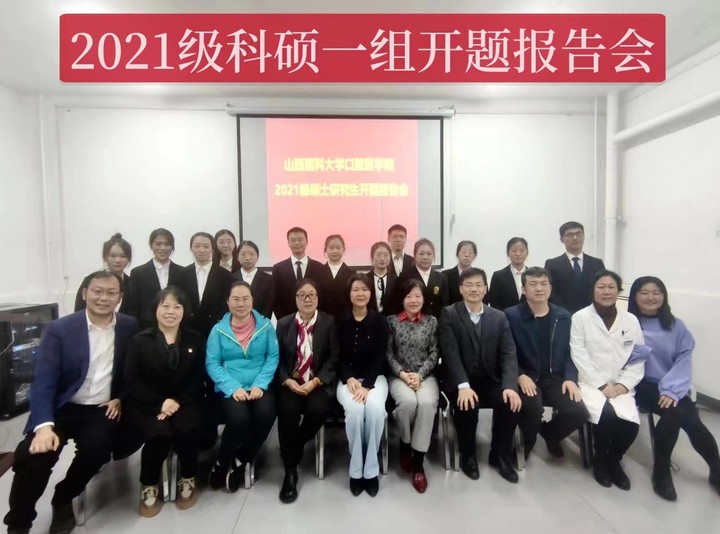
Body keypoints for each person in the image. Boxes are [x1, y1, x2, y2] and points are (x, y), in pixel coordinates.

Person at [3, 272, 138, 534]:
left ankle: (64, 497)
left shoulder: (128, 326)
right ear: (85, 293)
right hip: (63, 407)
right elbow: (44, 381)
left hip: (101, 408)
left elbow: (133, 371)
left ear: (120, 297)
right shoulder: (61, 329)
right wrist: (43, 426)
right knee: (32, 456)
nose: (104, 298)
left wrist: (120, 398)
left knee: (98, 450)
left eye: (111, 293)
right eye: (98, 291)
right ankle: (18, 523)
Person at [628, 276, 720, 501]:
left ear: (663, 296)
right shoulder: (628, 323)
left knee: (693, 423)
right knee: (674, 413)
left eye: (656, 292)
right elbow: (618, 358)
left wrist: (671, 390)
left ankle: (716, 470)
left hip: (672, 384)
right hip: (641, 384)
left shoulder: (676, 325)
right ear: (635, 296)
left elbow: (684, 359)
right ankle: (661, 472)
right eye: (644, 292)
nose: (650, 297)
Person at [124, 287, 205, 516]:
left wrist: (176, 401)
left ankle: (188, 477)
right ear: (155, 309)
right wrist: (160, 403)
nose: (171, 312)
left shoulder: (195, 339)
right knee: (158, 434)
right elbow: (131, 381)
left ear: (184, 311)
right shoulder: (140, 341)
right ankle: (149, 483)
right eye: (165, 306)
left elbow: (198, 377)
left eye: (177, 307)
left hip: (184, 401)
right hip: (149, 404)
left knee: (187, 428)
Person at [438, 268, 523, 483]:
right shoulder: (450, 314)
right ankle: (468, 454)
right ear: (460, 289)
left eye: (478, 285)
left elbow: (508, 353)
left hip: (489, 378)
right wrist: (463, 385)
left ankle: (500, 454)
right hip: (460, 379)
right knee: (467, 405)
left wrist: (510, 385)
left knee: (509, 402)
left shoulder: (499, 317)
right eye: (468, 285)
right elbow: (450, 353)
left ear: (486, 289)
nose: (474, 289)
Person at [570, 270, 649, 491]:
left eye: (611, 287)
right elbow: (578, 354)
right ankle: (600, 460)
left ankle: (614, 459)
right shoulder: (580, 318)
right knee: (606, 417)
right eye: (601, 287)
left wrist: (624, 384)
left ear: (619, 291)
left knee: (631, 424)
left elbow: (639, 357)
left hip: (621, 384)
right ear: (593, 290)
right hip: (590, 383)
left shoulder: (630, 320)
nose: (606, 291)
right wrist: (602, 385)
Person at [504, 267, 587, 459]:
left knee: (578, 412)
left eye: (543, 284)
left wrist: (570, 377)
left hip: (555, 378)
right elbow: (506, 352)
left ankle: (550, 435)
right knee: (532, 410)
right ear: (524, 290)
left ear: (550, 288)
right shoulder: (510, 316)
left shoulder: (563, 316)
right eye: (533, 284)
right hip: (527, 377)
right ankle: (527, 444)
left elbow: (572, 351)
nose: (539, 288)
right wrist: (519, 375)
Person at [206, 282, 279, 493]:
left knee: (267, 415)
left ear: (252, 300)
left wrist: (260, 384)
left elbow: (272, 357)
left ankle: (241, 459)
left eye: (245, 299)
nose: (241, 304)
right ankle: (222, 461)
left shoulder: (266, 326)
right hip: (231, 386)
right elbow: (212, 363)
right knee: (239, 420)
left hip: (259, 384)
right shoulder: (218, 330)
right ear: (228, 302)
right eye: (236, 299)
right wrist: (232, 387)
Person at [275, 279, 339, 503]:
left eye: (312, 294)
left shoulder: (329, 322)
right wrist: (287, 381)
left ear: (318, 298)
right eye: (302, 295)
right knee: (286, 412)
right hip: (291, 383)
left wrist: (316, 381)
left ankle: (294, 446)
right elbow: (277, 359)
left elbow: (334, 357)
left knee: (319, 409)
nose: (307, 299)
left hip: (316, 382)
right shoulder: (283, 324)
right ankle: (290, 473)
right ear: (295, 299)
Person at [336, 275, 389, 497]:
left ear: (371, 293)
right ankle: (356, 470)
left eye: (365, 289)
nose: (360, 293)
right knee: (355, 411)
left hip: (375, 380)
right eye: (356, 289)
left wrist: (367, 386)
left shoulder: (380, 322)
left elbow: (380, 357)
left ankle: (371, 470)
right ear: (349, 294)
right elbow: (336, 354)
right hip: (347, 381)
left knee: (376, 410)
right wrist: (348, 378)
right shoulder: (339, 320)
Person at [387, 279, 439, 493]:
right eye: (408, 296)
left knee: (427, 404)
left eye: (418, 296)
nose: (413, 300)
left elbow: (435, 352)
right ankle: (405, 444)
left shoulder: (431, 322)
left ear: (424, 299)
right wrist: (403, 374)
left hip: (424, 376)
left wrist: (419, 375)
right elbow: (388, 353)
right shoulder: (391, 321)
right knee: (408, 403)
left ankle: (418, 462)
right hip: (398, 376)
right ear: (402, 299)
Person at [178, 232, 233, 339]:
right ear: (191, 248)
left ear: (213, 249)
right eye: (197, 246)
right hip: (188, 329)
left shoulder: (225, 275)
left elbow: (227, 302)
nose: (201, 250)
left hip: (217, 328)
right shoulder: (182, 274)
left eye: (206, 246)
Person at [125, 228, 184, 329]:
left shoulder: (182, 272)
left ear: (172, 247)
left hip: (175, 328)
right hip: (145, 329)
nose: (162, 248)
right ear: (151, 245)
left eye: (167, 244)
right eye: (158, 244)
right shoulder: (138, 273)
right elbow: (133, 307)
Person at [544, 221, 605, 314]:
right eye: (570, 235)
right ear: (562, 239)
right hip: (562, 315)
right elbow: (549, 292)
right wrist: (564, 312)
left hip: (592, 314)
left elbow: (602, 288)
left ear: (584, 237)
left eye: (578, 234)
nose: (575, 237)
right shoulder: (552, 264)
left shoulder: (597, 264)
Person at [271, 227, 325, 320]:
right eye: (293, 240)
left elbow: (322, 295)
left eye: (300, 240)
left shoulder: (319, 267)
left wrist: (315, 319)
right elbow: (275, 298)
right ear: (288, 242)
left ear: (306, 241)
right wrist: (285, 320)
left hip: (314, 320)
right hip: (287, 321)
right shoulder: (278, 269)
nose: (296, 243)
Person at [74, 233, 132, 313]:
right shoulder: (90, 280)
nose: (118, 260)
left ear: (129, 259)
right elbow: (79, 311)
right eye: (113, 256)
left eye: (123, 256)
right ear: (105, 257)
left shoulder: (132, 283)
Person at [390, 238, 448, 318]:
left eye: (429, 254)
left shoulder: (441, 277)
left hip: (437, 321)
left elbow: (445, 304)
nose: (425, 257)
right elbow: (397, 304)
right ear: (414, 255)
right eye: (421, 254)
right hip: (411, 322)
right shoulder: (404, 277)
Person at [233, 240, 273, 320]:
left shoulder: (268, 279)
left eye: (251, 254)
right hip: (236, 321)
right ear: (238, 257)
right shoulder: (231, 278)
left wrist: (261, 321)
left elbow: (269, 305)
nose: (247, 258)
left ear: (257, 257)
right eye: (243, 254)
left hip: (261, 322)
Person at [487, 237, 529, 311]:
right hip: (505, 316)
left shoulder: (533, 275)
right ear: (508, 253)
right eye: (514, 250)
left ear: (527, 253)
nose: (518, 254)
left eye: (522, 250)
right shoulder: (498, 276)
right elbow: (494, 303)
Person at [318, 234, 354, 316]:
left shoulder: (351, 273)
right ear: (326, 250)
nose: (335, 251)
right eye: (331, 248)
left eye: (338, 248)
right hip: (323, 316)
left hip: (345, 317)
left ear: (343, 249)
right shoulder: (318, 272)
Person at [442, 240, 477, 305]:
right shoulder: (445, 275)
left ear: (474, 256)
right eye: (464, 252)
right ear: (457, 254)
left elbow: (484, 299)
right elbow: (443, 300)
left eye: (470, 252)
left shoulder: (478, 276)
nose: (467, 255)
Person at [366, 241, 396, 315]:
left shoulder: (396, 280)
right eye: (378, 255)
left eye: (386, 255)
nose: (382, 258)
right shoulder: (365, 279)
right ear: (372, 257)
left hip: (391, 318)